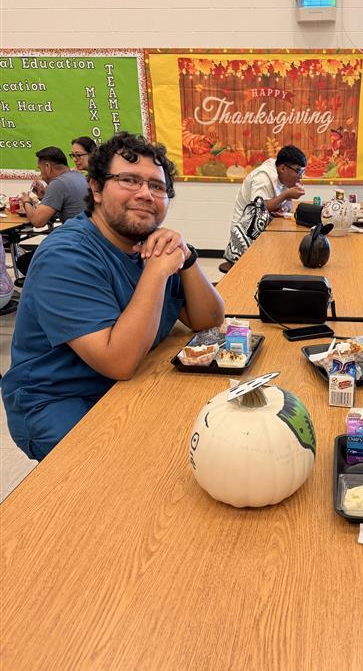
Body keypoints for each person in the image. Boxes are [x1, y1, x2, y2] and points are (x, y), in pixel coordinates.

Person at [1, 132, 224, 461]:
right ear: (96, 188)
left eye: (157, 186)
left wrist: (186, 256)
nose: (146, 193)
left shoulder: (147, 242)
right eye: (129, 180)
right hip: (59, 402)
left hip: (130, 383)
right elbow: (118, 362)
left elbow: (207, 319)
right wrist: (157, 271)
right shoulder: (66, 255)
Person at [221, 145, 306, 271]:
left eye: (302, 172)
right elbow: (259, 208)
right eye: (298, 171)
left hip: (264, 229)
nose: (300, 176)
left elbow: (286, 204)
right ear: (283, 168)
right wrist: (286, 195)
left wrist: (285, 203)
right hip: (245, 237)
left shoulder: (283, 173)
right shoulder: (263, 178)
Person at [19, 146, 89, 227]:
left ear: (47, 167)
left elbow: (37, 221)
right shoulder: (78, 176)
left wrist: (26, 201)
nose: (41, 175)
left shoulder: (59, 183)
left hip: (79, 235)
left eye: (40, 169)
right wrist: (43, 197)